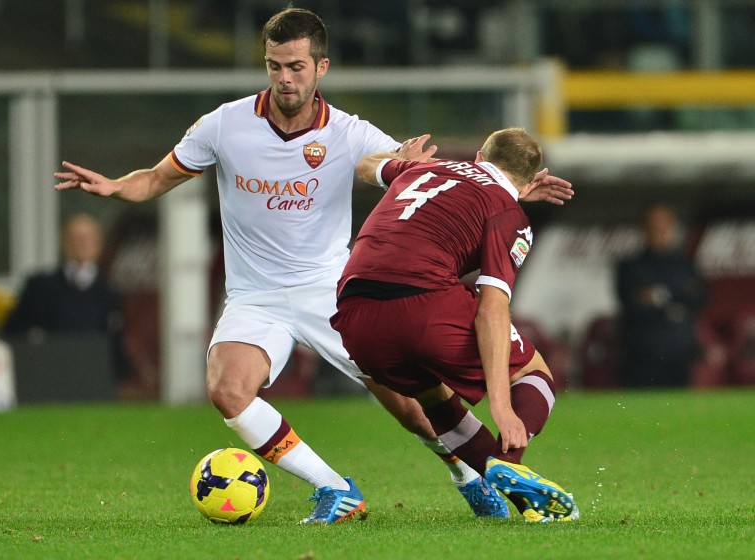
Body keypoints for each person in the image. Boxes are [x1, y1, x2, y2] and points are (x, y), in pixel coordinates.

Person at [54, 8, 573, 524]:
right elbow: (157, 178)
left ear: (320, 68)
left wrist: (507, 184)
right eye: (275, 66)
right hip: (255, 295)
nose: (285, 78)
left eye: (296, 67)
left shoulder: (349, 133)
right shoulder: (223, 125)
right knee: (227, 390)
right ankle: (334, 487)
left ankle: (465, 475)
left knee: (414, 405)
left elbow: (405, 170)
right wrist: (118, 186)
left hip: (332, 289)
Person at [331, 128, 578, 522]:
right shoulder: (507, 212)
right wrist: (501, 405)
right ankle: (509, 459)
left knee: (433, 396)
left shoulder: (423, 170)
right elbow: (492, 308)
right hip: (422, 306)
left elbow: (365, 165)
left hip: (353, 316)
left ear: (479, 154)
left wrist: (403, 155)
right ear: (531, 181)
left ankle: (525, 503)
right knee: (534, 372)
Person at [3, 213, 129, 383]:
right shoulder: (40, 287)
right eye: (76, 238)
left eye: (88, 238)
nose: (83, 243)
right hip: (46, 378)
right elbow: (12, 330)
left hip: (92, 381)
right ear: (64, 242)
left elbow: (115, 346)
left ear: (99, 244)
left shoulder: (110, 293)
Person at [615, 204, 707, 387]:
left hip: (679, 352)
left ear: (672, 228)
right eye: (653, 226)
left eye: (663, 226)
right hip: (642, 353)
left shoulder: (685, 264)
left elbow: (700, 297)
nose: (658, 231)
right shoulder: (631, 266)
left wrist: (660, 296)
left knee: (680, 411)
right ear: (644, 228)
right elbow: (630, 304)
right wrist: (678, 299)